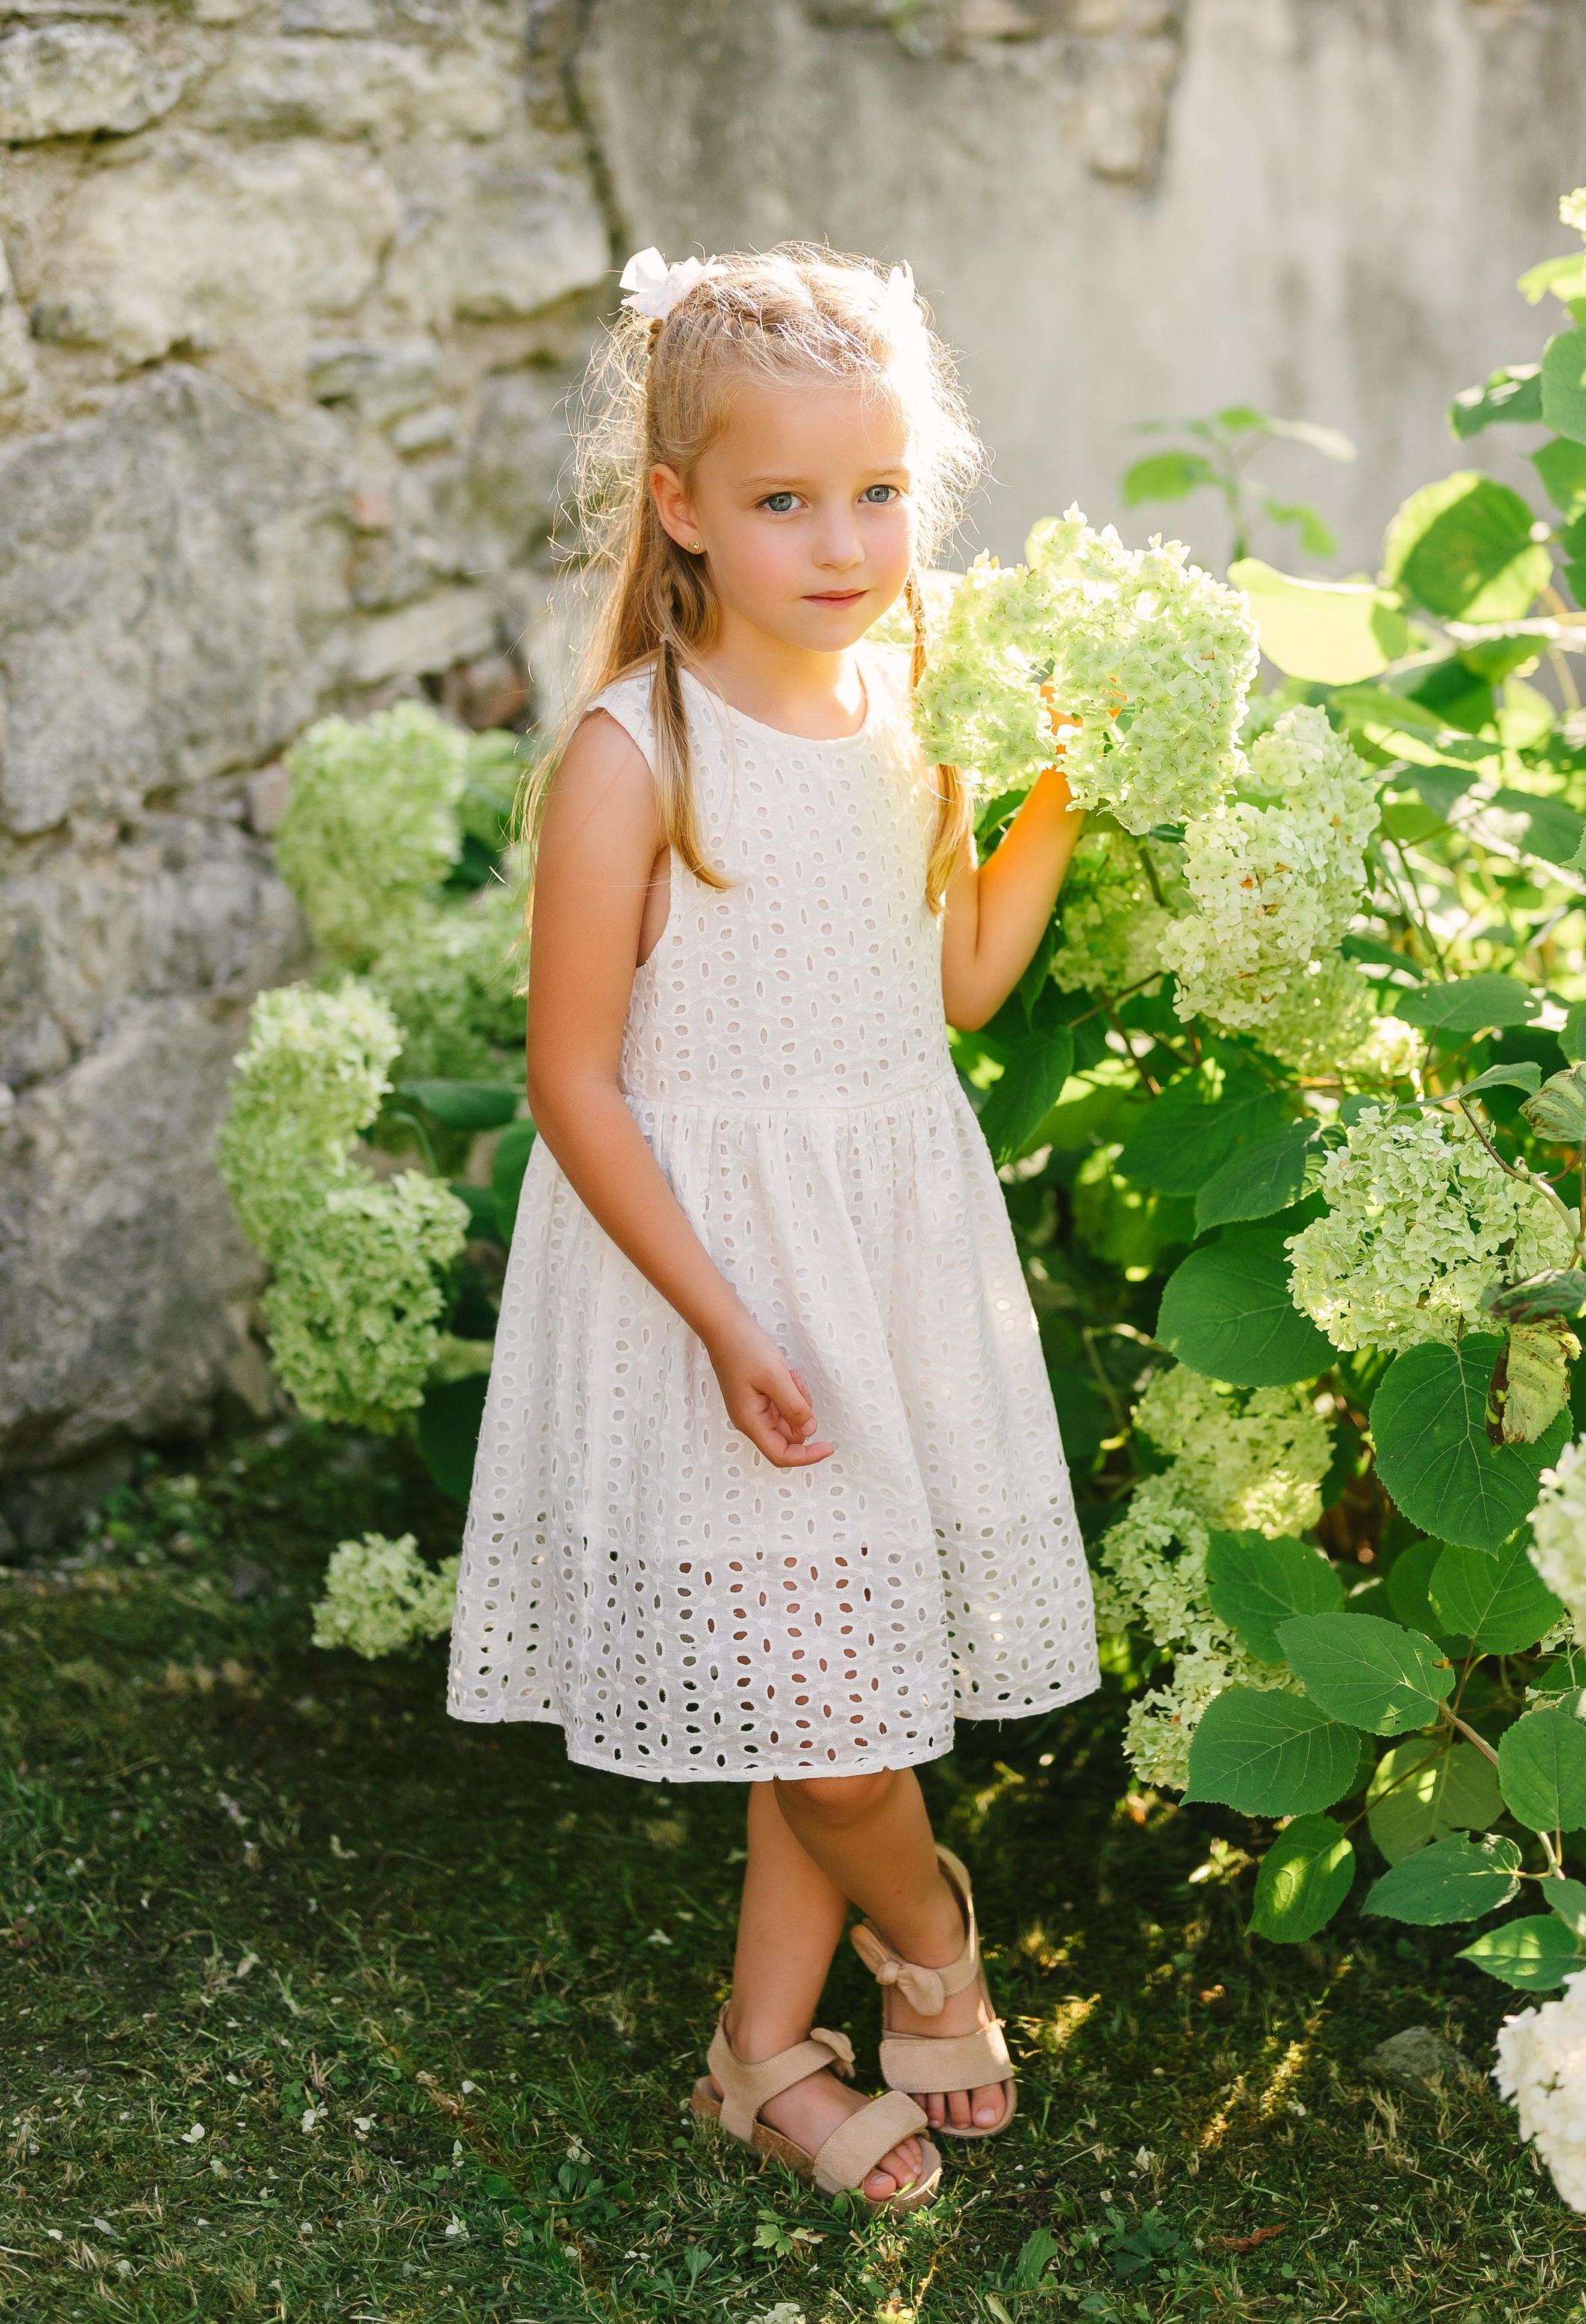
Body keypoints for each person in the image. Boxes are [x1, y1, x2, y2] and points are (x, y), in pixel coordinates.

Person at [446, 244, 1099, 2213]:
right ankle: (934, 1949)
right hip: (705, 1277)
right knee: (822, 1706)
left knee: (822, 1686)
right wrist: (725, 1321)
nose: (844, 543)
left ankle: (756, 2061)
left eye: (882, 493)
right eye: (785, 501)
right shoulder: (634, 758)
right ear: (680, 511)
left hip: (887, 1251)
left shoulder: (914, 702)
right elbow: (573, 1081)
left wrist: (1063, 779)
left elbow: (964, 976)